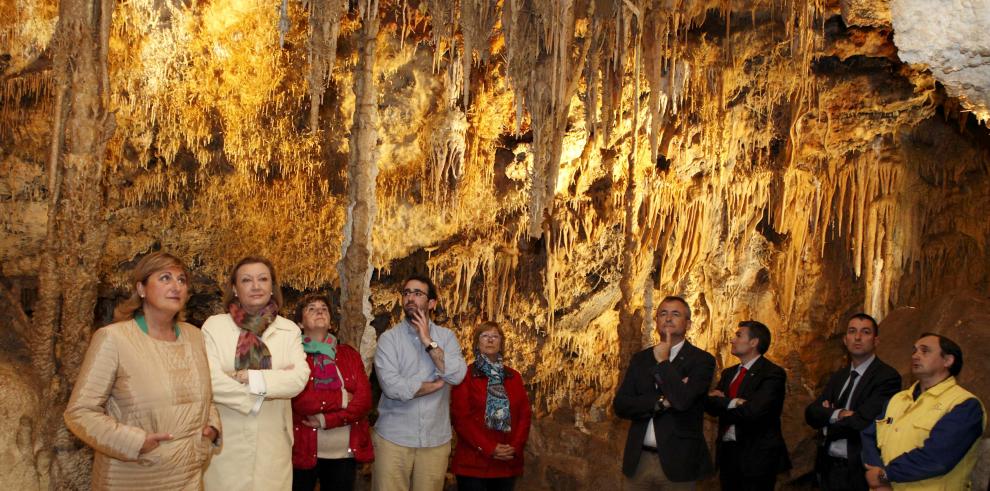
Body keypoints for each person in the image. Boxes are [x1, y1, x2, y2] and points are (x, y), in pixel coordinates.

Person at [64, 252, 220, 490]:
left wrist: (212, 429)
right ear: (141, 288)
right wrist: (135, 442)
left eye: (182, 280)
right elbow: (80, 412)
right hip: (132, 476)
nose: (176, 286)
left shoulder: (194, 336)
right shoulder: (113, 339)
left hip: (188, 477)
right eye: (165, 278)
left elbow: (206, 397)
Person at [202, 256, 310, 490]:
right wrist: (267, 387)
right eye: (247, 280)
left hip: (273, 441)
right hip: (227, 440)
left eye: (263, 279)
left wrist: (247, 376)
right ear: (235, 288)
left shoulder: (288, 329)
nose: (256, 285)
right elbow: (209, 379)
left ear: (272, 287)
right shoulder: (214, 326)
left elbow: (298, 379)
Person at [373, 274, 468, 491]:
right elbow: (392, 387)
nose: (410, 298)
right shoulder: (389, 339)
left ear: (432, 303)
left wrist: (428, 341)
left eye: (418, 293)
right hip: (393, 438)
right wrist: (432, 385)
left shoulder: (446, 337)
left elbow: (456, 375)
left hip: (435, 440)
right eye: (406, 293)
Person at [613, 296, 716, 489]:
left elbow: (683, 401)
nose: (668, 318)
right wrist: (661, 401)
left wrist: (663, 363)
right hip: (639, 461)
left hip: (679, 463)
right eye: (663, 313)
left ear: (688, 324)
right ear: (656, 321)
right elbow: (621, 405)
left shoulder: (702, 361)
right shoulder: (641, 359)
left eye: (675, 314)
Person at [861, 333, 986, 490]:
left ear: (948, 360)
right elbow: (868, 436)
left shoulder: (965, 405)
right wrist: (877, 475)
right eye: (914, 351)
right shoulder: (898, 399)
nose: (915, 356)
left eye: (925, 351)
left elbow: (938, 458)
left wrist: (885, 475)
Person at [804, 313, 901, 491]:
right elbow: (811, 413)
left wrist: (826, 422)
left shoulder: (887, 377)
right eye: (852, 331)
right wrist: (839, 414)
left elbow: (862, 422)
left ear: (876, 340)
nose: (857, 337)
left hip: (860, 471)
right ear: (845, 339)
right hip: (828, 468)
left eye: (865, 332)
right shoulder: (838, 377)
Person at [291, 293, 373, 491]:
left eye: (324, 309)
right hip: (303, 451)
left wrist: (325, 420)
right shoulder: (293, 354)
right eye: (311, 308)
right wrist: (343, 397)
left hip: (343, 455)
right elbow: (301, 401)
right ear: (300, 323)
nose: (319, 311)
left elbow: (364, 401)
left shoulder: (349, 355)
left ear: (330, 322)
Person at [706, 320, 791, 491]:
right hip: (728, 454)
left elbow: (754, 411)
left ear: (754, 342)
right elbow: (709, 404)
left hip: (757, 459)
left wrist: (723, 403)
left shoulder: (772, 373)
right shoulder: (729, 373)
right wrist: (735, 402)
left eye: (739, 335)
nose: (732, 340)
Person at [451, 321, 533, 491]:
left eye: (495, 336)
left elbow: (524, 415)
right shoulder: (466, 375)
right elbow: (461, 418)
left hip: (506, 462)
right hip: (473, 463)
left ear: (501, 343)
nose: (490, 340)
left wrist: (515, 447)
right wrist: (489, 448)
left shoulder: (513, 376)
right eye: (485, 336)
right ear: (477, 342)